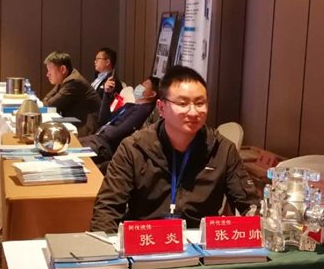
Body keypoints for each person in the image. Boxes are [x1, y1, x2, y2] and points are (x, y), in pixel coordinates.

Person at [90, 66, 258, 233]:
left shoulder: (222, 150)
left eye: (200, 103)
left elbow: (251, 207)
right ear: (161, 108)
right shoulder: (134, 148)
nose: (193, 112)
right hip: (146, 240)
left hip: (200, 244)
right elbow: (107, 210)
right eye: (183, 103)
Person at [80, 77, 159, 172]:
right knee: (70, 144)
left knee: (71, 152)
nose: (139, 86)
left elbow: (117, 133)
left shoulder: (143, 111)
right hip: (97, 137)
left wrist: (107, 128)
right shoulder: (130, 106)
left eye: (144, 85)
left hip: (103, 147)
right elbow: (103, 119)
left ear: (152, 94)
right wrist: (106, 94)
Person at [41, 52, 100, 136]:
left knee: (48, 130)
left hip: (85, 126)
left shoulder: (73, 81)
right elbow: (46, 100)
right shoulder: (65, 79)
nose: (47, 74)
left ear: (63, 69)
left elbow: (51, 105)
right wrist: (47, 103)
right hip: (75, 120)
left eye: (50, 70)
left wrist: (47, 103)